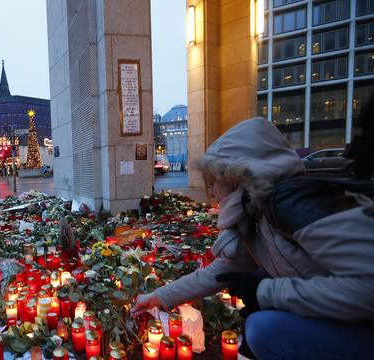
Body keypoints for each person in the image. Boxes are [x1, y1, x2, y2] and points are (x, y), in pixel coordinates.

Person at [131, 118, 374, 360]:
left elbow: (367, 285)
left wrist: (265, 292)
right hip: (343, 315)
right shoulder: (253, 212)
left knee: (263, 329)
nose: (212, 192)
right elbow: (220, 271)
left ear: (237, 177)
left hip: (362, 325)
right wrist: (159, 297)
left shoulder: (289, 202)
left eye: (214, 182)